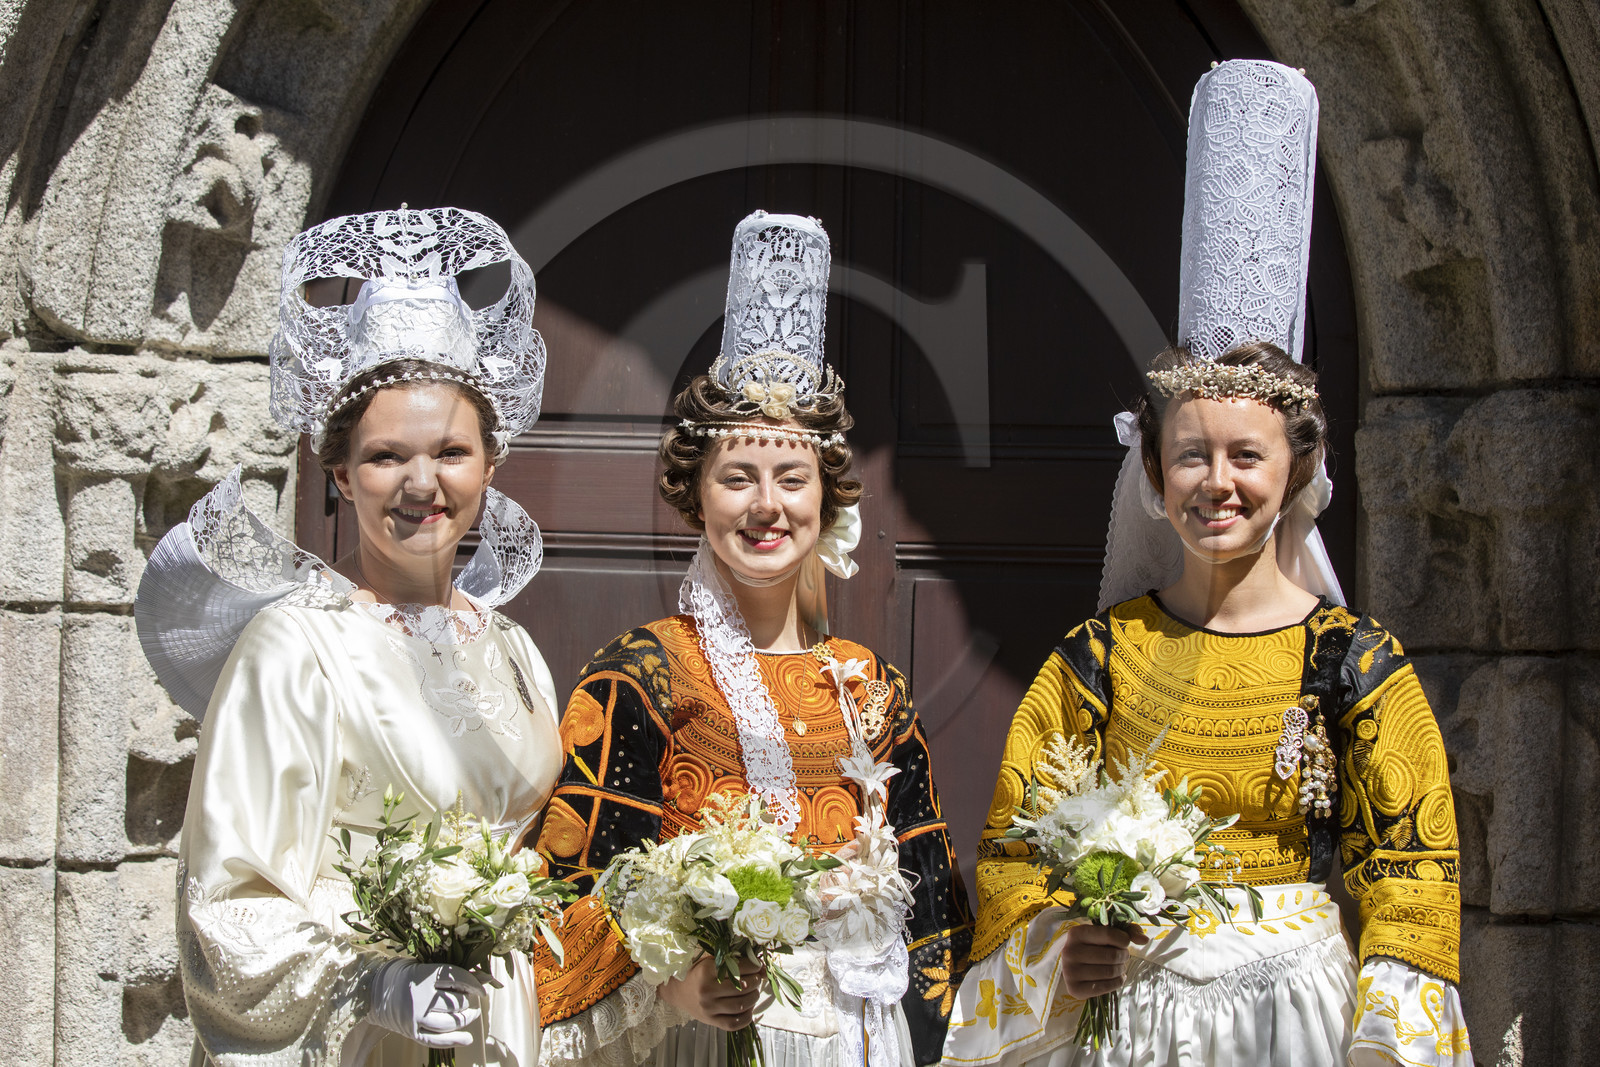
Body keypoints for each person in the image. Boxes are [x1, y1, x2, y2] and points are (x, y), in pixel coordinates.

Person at [942, 62, 1470, 1066]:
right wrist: (1064, 943)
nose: (1216, 482)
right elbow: (1013, 848)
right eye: (1191, 454)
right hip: (1135, 1018)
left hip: (1295, 1020)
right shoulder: (1096, 661)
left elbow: (1411, 868)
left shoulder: (1355, 665)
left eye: (1246, 456)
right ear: (1152, 469)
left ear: (1295, 469)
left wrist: (1386, 1036)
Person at [532, 212, 972, 1067]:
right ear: (696, 495)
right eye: (737, 477)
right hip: (704, 1038)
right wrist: (672, 982)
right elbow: (575, 889)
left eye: (791, 477)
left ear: (825, 498)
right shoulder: (642, 675)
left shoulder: (870, 685)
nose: (767, 505)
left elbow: (930, 900)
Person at [136, 207, 562, 1066]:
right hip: (364, 1038)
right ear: (339, 474)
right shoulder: (293, 647)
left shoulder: (514, 647)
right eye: (385, 456)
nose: (421, 483)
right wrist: (372, 985)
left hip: (500, 1023)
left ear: (490, 464)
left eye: (450, 452)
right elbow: (229, 899)